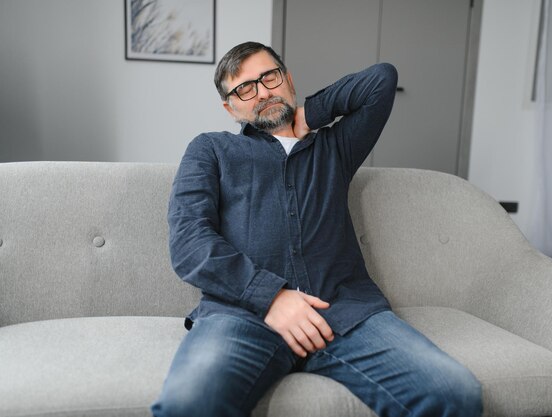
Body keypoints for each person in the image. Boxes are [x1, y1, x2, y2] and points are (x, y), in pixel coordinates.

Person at [151, 41, 482, 417]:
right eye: (245, 88)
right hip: (242, 315)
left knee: (454, 392)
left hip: (345, 313)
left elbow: (381, 80)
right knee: (188, 406)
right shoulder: (211, 149)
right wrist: (271, 297)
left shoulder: (335, 147)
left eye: (269, 77)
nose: (262, 92)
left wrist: (310, 116)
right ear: (231, 108)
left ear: (288, 80)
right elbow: (189, 243)